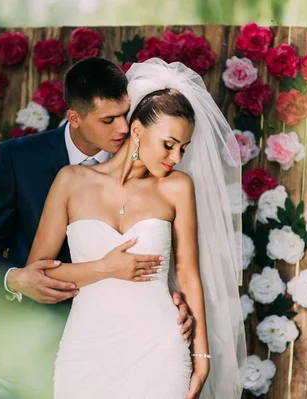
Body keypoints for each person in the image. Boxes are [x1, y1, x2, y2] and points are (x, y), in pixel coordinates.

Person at [0, 57, 195, 398]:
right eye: (108, 119)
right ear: (75, 117)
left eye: (125, 114)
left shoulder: (153, 173)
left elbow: (164, 248)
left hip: (121, 350)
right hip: (30, 346)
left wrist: (171, 297)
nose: (121, 128)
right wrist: (16, 278)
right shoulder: (20, 159)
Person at [27, 58, 246, 399]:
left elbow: (188, 274)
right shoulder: (71, 181)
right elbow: (38, 274)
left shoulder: (177, 188)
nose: (176, 158)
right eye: (169, 144)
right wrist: (106, 268)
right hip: (86, 349)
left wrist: (202, 357)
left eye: (183, 149)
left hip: (160, 347)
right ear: (138, 130)